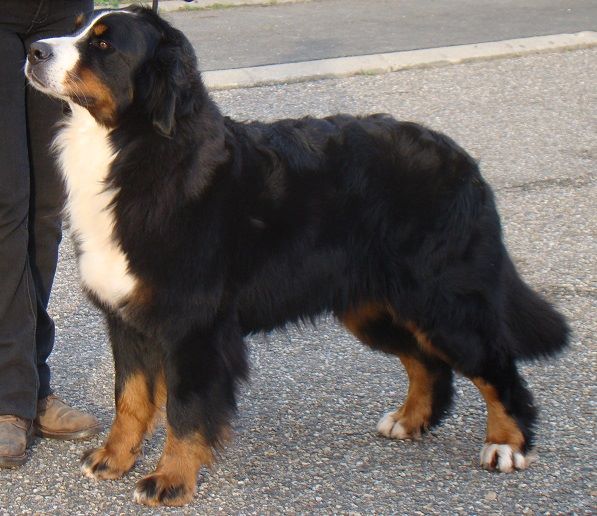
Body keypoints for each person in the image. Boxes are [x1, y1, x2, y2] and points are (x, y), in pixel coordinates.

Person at [0, 0, 100, 468]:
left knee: (46, 209)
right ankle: (9, 400)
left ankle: (32, 386)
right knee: (6, 205)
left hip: (63, 14)